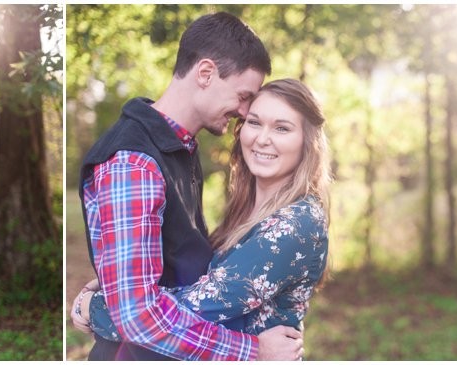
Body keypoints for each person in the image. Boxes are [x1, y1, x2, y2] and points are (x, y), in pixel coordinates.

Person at [74, 12, 304, 361]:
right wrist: (253, 351)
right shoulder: (134, 162)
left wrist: (106, 294)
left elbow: (175, 262)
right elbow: (137, 317)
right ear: (206, 73)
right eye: (243, 96)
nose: (244, 111)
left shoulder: (177, 147)